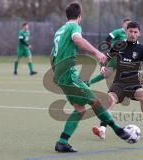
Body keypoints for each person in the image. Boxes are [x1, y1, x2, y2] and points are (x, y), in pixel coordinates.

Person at [51, 2, 131, 153]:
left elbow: (52, 55)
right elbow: (78, 39)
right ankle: (117, 130)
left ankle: (62, 142)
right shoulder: (74, 27)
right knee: (95, 101)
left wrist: (57, 73)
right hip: (69, 74)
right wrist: (97, 52)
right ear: (79, 16)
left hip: (61, 75)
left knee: (80, 110)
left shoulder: (60, 30)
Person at [92, 21, 143, 140]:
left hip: (134, 84)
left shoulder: (142, 50)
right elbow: (106, 59)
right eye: (130, 31)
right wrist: (103, 67)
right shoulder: (118, 45)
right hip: (119, 83)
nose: (132, 34)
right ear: (127, 31)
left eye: (135, 32)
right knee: (110, 100)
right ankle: (102, 129)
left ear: (139, 34)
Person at [87, 18, 131, 86]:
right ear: (123, 24)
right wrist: (112, 48)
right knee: (108, 73)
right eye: (127, 23)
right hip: (116, 56)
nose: (128, 25)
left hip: (124, 57)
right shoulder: (118, 32)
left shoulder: (130, 34)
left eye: (129, 24)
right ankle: (89, 83)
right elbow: (108, 38)